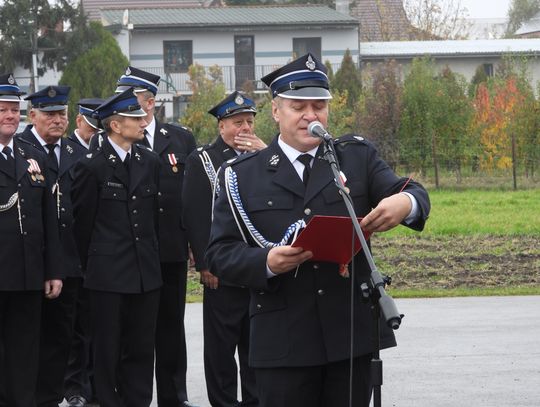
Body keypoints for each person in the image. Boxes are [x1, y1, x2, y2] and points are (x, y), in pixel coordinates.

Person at [205, 54, 431, 407]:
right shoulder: (241, 174)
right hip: (283, 343)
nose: (311, 115)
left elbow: (412, 192)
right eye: (299, 106)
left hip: (350, 336)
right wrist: (266, 262)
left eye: (319, 106)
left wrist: (407, 205)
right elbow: (219, 254)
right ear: (276, 111)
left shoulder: (355, 157)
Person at [71, 88, 162, 407]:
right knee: (107, 350)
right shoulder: (91, 166)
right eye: (134, 118)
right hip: (107, 276)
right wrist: (90, 270)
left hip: (144, 274)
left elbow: (153, 219)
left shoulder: (150, 160)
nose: (142, 122)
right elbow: (82, 227)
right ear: (115, 125)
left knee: (140, 349)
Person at [114, 66, 198, 407]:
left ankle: (174, 397)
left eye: (133, 100)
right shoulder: (114, 138)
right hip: (132, 252)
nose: (128, 107)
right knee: (132, 330)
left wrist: (196, 243)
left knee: (170, 327)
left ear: (150, 104)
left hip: (172, 249)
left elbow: (192, 197)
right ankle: (132, 397)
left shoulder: (179, 139)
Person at [183, 91, 265, 407]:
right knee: (220, 348)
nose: (244, 128)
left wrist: (266, 153)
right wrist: (206, 264)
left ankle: (255, 401)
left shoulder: (263, 156)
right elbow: (194, 215)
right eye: (236, 122)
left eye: (249, 121)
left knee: (255, 345)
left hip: (256, 266)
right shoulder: (203, 159)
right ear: (221, 126)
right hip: (223, 268)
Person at [18, 85, 87, 407]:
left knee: (63, 334)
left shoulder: (76, 152)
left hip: (70, 258)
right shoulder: (19, 149)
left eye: (61, 114)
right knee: (30, 336)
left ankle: (53, 395)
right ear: (32, 116)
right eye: (49, 114)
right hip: (31, 260)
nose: (57, 120)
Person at [0, 74, 63, 407]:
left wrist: (53, 270)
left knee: (25, 350)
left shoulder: (29, 155)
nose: (11, 116)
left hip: (27, 274)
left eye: (15, 110)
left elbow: (47, 219)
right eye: (3, 110)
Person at [63, 98, 104, 407]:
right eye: (92, 126)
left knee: (93, 323)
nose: (95, 132)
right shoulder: (68, 152)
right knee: (74, 325)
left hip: (98, 252)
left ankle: (92, 383)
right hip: (71, 249)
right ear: (79, 122)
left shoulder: (101, 153)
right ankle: (73, 384)